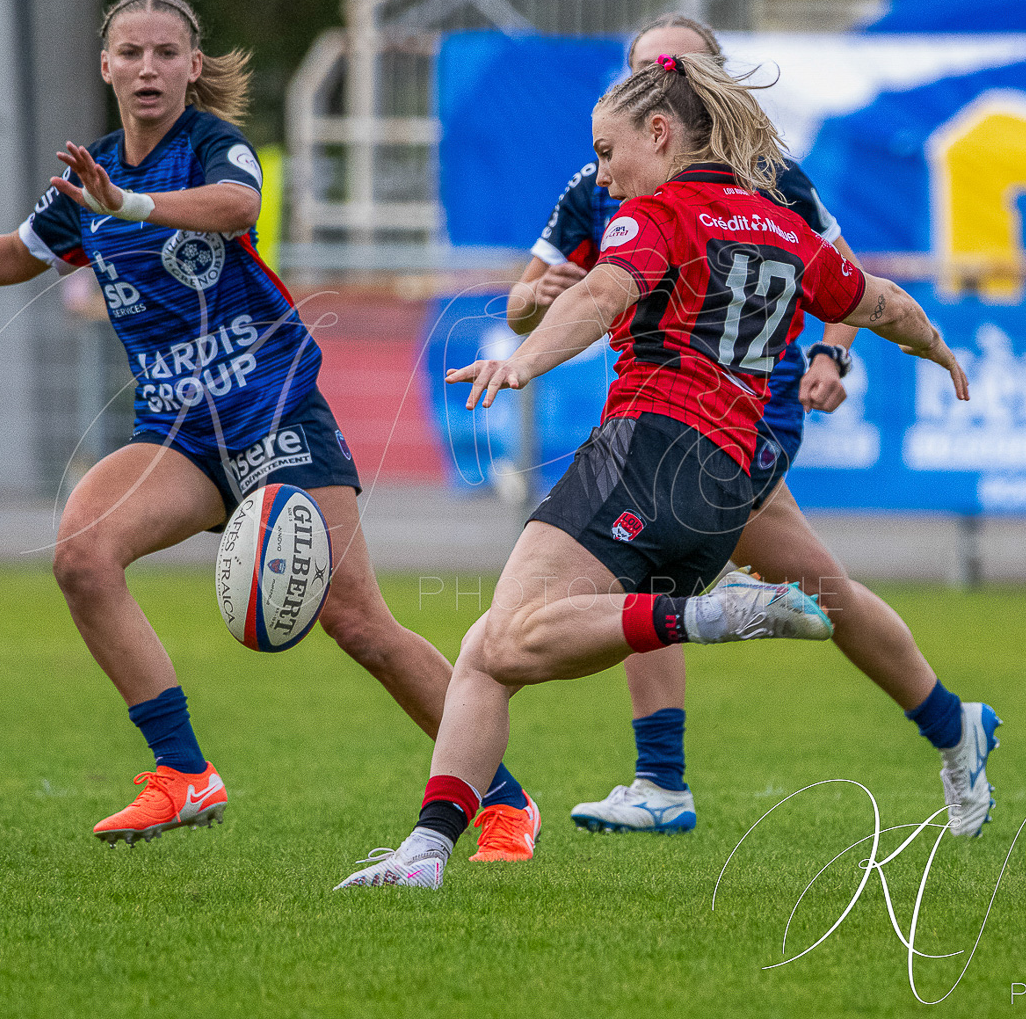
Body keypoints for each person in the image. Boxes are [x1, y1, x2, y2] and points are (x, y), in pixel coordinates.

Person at [0, 0, 539, 857]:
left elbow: (236, 209)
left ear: (193, 68)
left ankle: (501, 800)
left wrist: (123, 204)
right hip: (179, 432)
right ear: (107, 67)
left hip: (274, 413)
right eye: (132, 52)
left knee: (359, 627)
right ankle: (183, 773)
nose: (149, 68)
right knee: (83, 555)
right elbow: (20, 252)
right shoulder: (85, 175)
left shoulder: (212, 146)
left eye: (167, 53)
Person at [335, 53, 988, 891]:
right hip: (727, 489)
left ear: (660, 131)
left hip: (645, 451)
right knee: (493, 650)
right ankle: (427, 850)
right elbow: (882, 302)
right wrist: (936, 348)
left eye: (609, 152)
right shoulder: (785, 226)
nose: (604, 175)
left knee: (501, 644)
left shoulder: (660, 214)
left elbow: (601, 297)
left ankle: (703, 620)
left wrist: (524, 362)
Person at [509, 15, 999, 842]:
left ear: (708, 89)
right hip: (656, 409)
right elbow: (529, 299)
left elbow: (849, 289)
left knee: (663, 567)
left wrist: (830, 361)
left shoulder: (773, 180)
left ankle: (662, 779)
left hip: (743, 415)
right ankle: (952, 723)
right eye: (645, 70)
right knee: (815, 589)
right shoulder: (600, 177)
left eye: (679, 68)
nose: (660, 82)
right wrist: (542, 302)